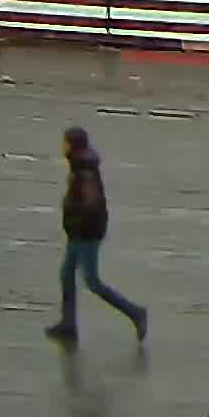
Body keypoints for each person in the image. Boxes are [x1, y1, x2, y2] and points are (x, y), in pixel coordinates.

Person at [48, 125, 149, 343]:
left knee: (93, 282)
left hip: (86, 233)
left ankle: (136, 313)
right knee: (66, 273)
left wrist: (78, 213)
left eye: (65, 142)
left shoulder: (85, 170)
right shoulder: (79, 166)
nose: (62, 146)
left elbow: (91, 202)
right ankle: (68, 324)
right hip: (78, 230)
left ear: (73, 145)